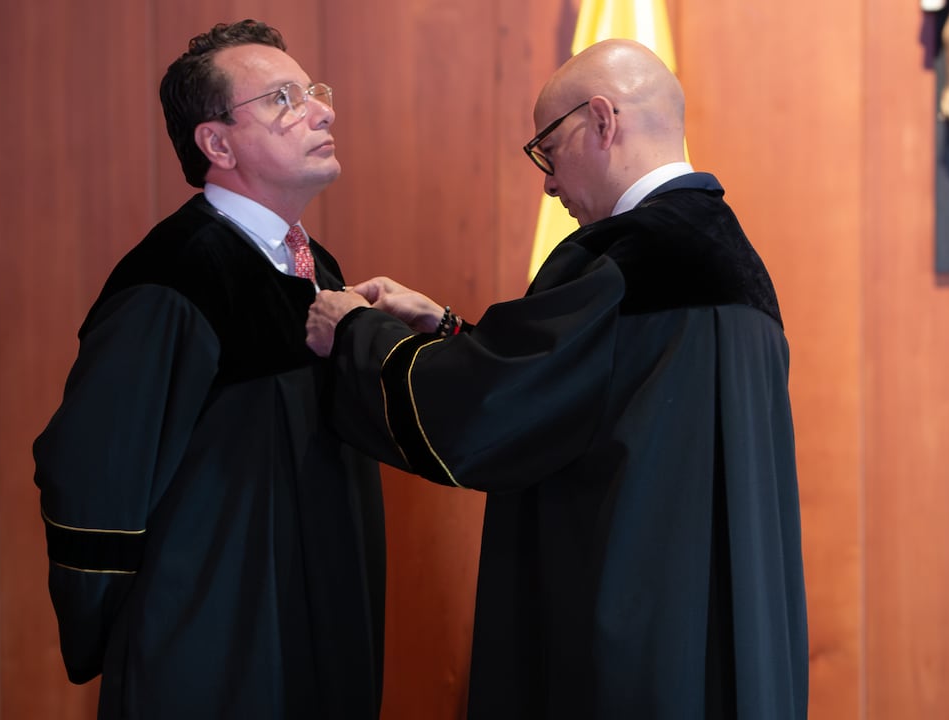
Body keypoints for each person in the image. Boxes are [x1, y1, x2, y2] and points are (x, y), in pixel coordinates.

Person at [307, 39, 808, 719]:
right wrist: (448, 328)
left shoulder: (629, 259)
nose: (546, 181)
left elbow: (493, 414)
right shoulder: (738, 266)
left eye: (548, 147)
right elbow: (580, 392)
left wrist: (355, 340)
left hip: (631, 646)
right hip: (724, 641)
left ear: (602, 120)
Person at [33, 20, 385, 719]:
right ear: (216, 143)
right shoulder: (174, 277)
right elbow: (93, 470)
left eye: (312, 90)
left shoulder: (318, 269)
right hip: (218, 640)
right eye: (283, 99)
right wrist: (142, 624)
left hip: (318, 620)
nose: (322, 110)